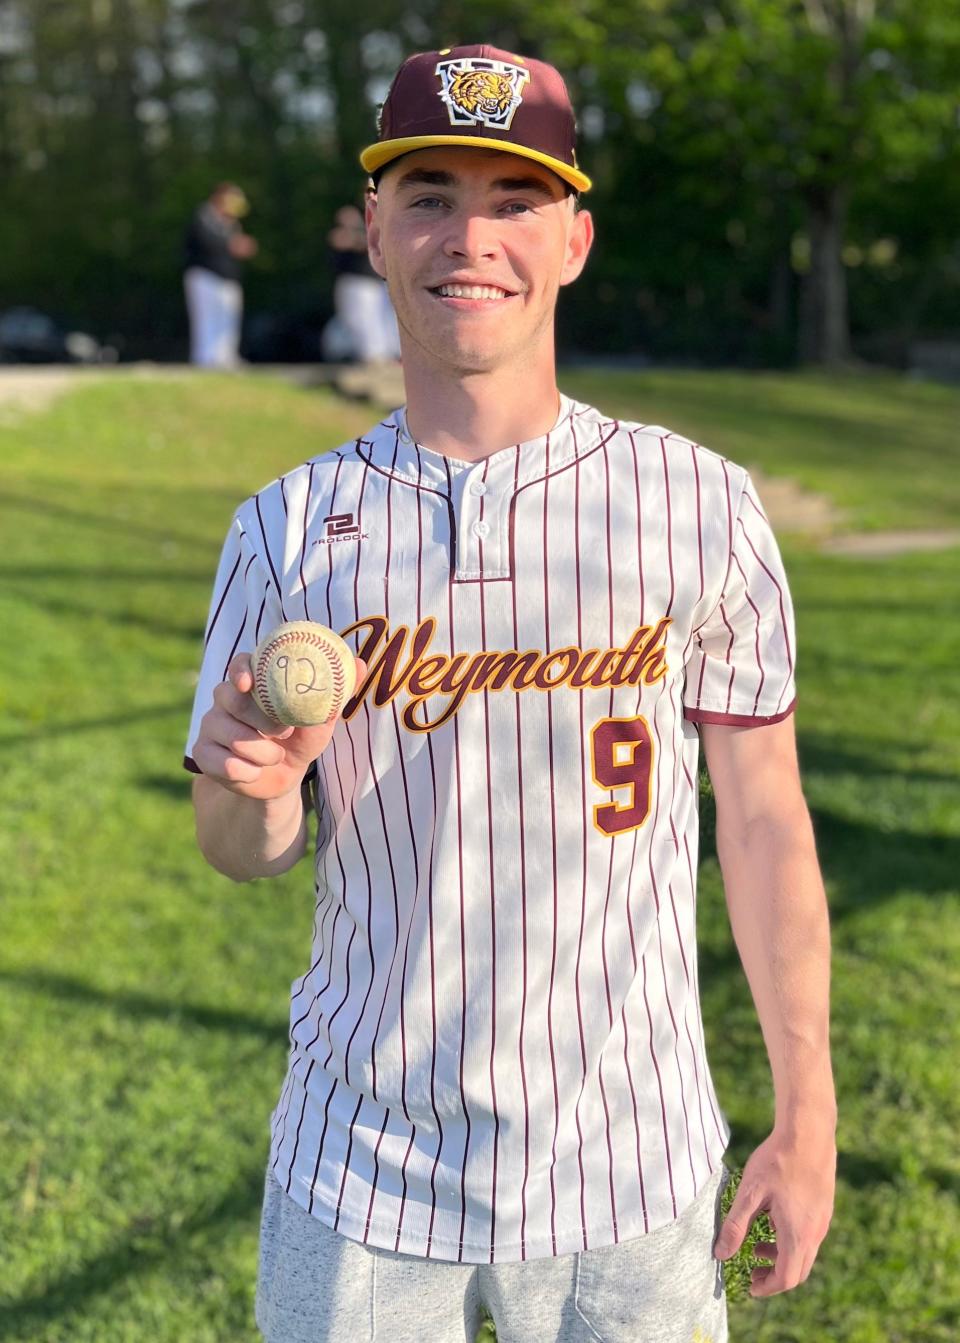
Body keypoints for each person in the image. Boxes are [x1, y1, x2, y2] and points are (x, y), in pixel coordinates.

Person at [184, 43, 837, 1343]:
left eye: (513, 198)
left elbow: (763, 817)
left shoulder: (699, 504)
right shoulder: (287, 526)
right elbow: (239, 845)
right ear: (375, 229)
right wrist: (254, 792)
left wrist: (808, 1109)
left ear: (575, 238)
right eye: (428, 194)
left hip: (629, 1164)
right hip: (361, 1164)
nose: (467, 236)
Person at [183, 182, 258, 368]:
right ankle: (205, 360)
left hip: (227, 278)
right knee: (206, 320)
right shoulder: (203, 217)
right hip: (205, 276)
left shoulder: (231, 224)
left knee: (228, 319)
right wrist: (231, 245)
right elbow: (204, 242)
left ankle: (226, 357)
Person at [324, 203, 401, 362]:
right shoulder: (347, 233)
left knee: (370, 319)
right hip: (355, 280)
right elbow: (339, 240)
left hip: (368, 281)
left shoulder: (370, 230)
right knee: (358, 319)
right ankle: (371, 355)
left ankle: (377, 355)